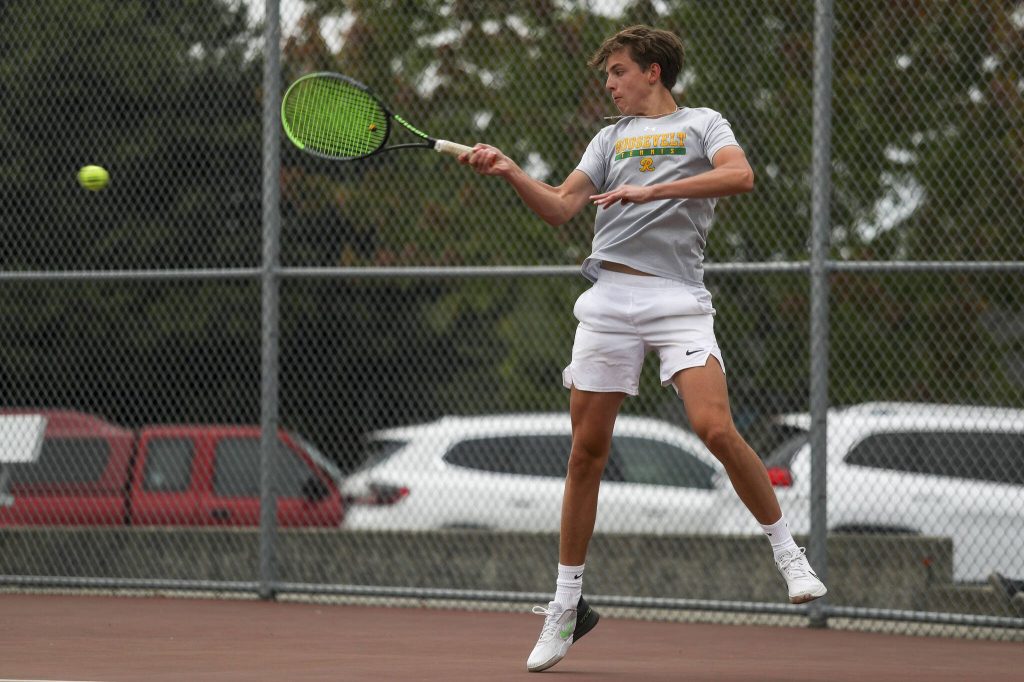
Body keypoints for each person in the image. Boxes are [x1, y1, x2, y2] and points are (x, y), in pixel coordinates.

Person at [460, 25, 827, 672]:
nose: (609, 83)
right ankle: (565, 606)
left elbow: (739, 176)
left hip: (678, 300)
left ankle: (788, 554)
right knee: (585, 453)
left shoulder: (702, 123)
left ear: (653, 71)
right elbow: (560, 209)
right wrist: (512, 170)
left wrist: (652, 189)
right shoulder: (607, 138)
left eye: (619, 71)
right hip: (608, 303)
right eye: (608, 75)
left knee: (714, 429)